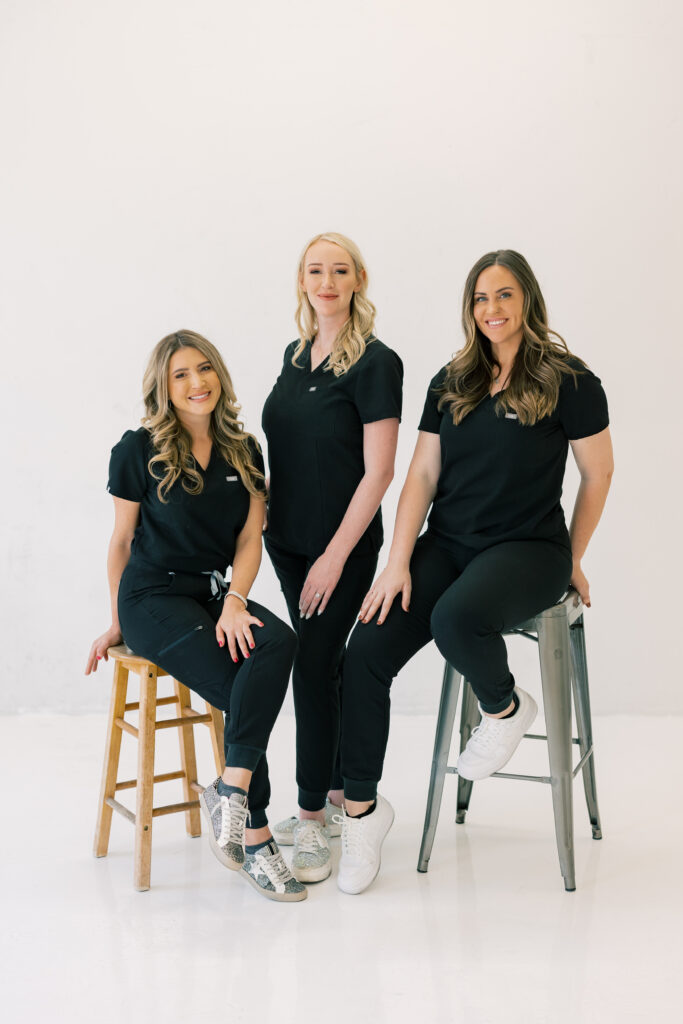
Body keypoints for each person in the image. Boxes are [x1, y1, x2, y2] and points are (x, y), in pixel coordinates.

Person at [335, 250, 614, 894]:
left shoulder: (568, 380)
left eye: (505, 295)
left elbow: (597, 474)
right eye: (481, 298)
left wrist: (572, 558)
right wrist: (397, 561)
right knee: (365, 652)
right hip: (449, 545)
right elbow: (422, 476)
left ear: (528, 300)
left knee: (456, 617)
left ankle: (507, 705)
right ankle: (362, 814)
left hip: (529, 550)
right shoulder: (451, 380)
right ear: (470, 309)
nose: (492, 309)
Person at [85, 330, 305, 902]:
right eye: (180, 374)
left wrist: (235, 600)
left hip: (210, 597)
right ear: (163, 386)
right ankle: (256, 842)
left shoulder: (243, 448)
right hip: (151, 599)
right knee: (243, 683)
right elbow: (121, 541)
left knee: (277, 643)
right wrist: (115, 620)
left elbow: (251, 536)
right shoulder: (138, 449)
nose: (196, 383)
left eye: (204, 369)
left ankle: (228, 790)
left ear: (219, 375)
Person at [262, 232, 403, 883]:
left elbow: (378, 473)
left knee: (313, 668)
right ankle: (348, 796)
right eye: (315, 270)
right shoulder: (295, 357)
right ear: (301, 280)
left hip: (338, 549)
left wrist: (333, 557)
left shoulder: (376, 363)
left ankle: (312, 817)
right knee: (328, 667)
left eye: (338, 270)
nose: (326, 281)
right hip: (287, 545)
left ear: (357, 280)